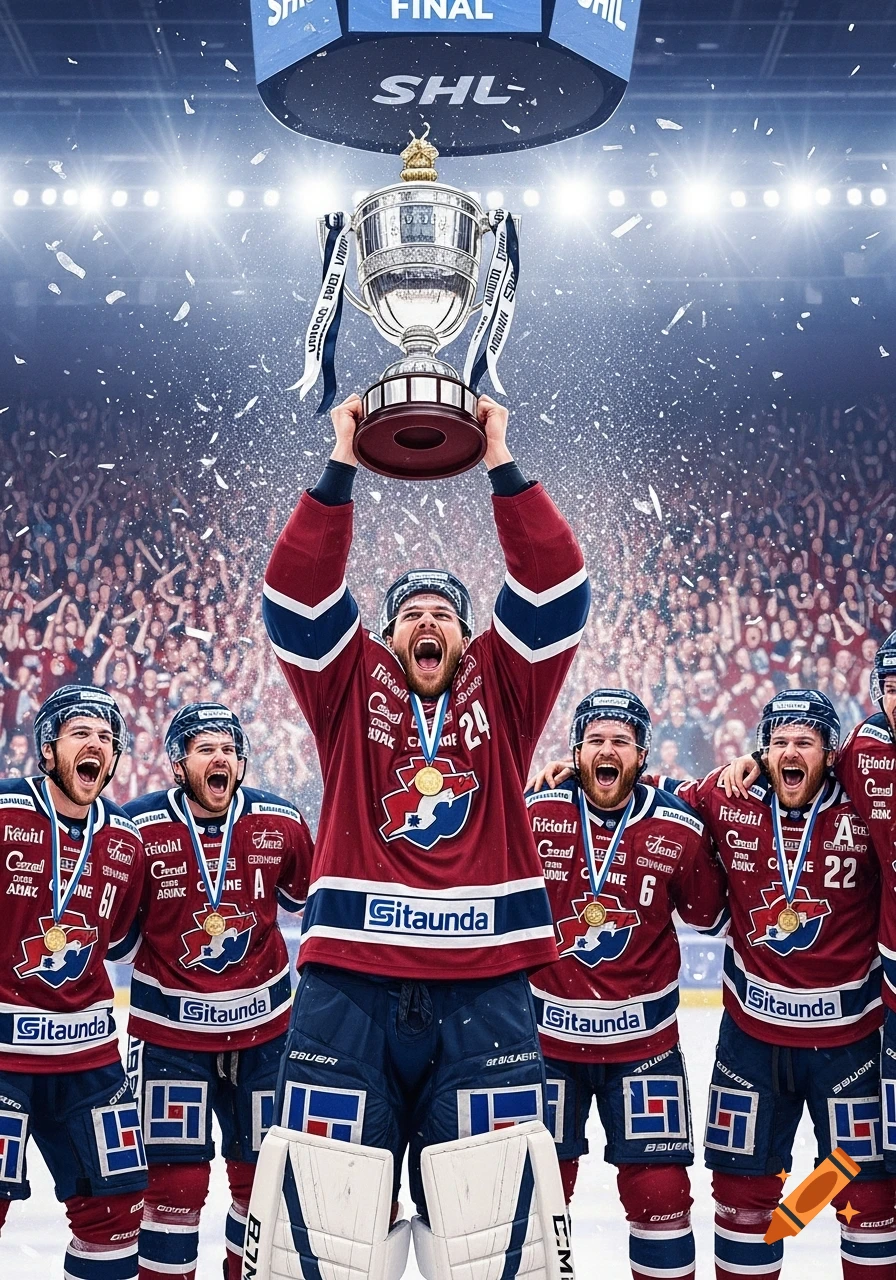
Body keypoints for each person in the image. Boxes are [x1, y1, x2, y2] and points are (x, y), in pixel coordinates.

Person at [258, 393, 590, 1280]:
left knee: (492, 1245)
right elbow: (294, 597)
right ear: (386, 634)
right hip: (349, 989)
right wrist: (341, 466)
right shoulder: (347, 684)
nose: (430, 623)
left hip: (486, 991)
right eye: (411, 614)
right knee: (321, 1239)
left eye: (446, 611)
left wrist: (501, 461)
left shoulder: (505, 685)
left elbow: (559, 589)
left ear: (469, 632)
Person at [671, 690, 890, 1279]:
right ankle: (782, 1220)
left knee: (867, 1199)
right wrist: (562, 779)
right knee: (741, 1198)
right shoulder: (729, 793)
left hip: (849, 1044)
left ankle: (801, 1211)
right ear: (763, 751)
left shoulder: (865, 799)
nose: (791, 752)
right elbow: (647, 803)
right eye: (779, 742)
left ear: (831, 751)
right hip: (752, 1041)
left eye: (805, 742)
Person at [526, 689, 726, 1280]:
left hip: (645, 1048)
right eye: (595, 740)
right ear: (576, 750)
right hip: (546, 1046)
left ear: (640, 755)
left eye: (621, 741)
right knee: (532, 1201)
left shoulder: (677, 826)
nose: (607, 750)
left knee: (661, 1200)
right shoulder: (535, 812)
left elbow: (709, 915)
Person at [120, 702, 313, 1280]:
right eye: (206, 749)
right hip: (172, 1037)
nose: (221, 758)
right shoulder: (138, 827)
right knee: (173, 1188)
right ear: (179, 765)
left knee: (261, 1185)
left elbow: (312, 899)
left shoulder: (280, 821)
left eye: (229, 749)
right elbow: (113, 936)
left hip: (264, 1032)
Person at [0, 684, 147, 1279]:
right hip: (4, 1052)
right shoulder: (4, 812)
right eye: (82, 732)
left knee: (115, 1211)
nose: (98, 747)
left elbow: (118, 939)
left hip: (88, 1058)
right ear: (47, 748)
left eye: (108, 740)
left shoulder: (126, 843)